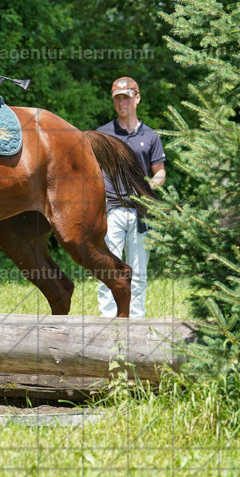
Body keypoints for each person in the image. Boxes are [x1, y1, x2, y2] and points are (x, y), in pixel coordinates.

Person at [96, 76, 166, 318]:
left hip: (140, 212)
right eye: (117, 98)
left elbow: (160, 172)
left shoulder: (151, 136)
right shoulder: (102, 134)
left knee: (138, 271)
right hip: (110, 210)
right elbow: (91, 171)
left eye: (126, 97)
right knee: (108, 269)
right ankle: (107, 320)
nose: (122, 103)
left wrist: (148, 189)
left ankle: (135, 321)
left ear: (137, 98)